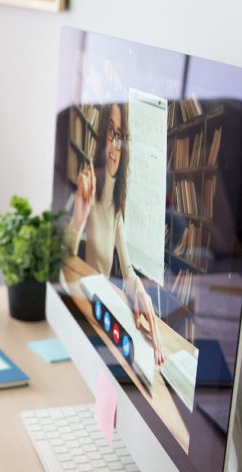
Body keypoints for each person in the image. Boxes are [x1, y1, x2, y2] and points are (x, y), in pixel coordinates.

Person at [65, 103, 164, 365]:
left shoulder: (116, 208)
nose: (114, 143)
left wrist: (141, 292)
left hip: (101, 315)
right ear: (102, 135)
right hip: (79, 311)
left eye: (120, 136)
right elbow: (62, 262)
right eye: (110, 130)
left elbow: (128, 270)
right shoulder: (86, 183)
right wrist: (78, 221)